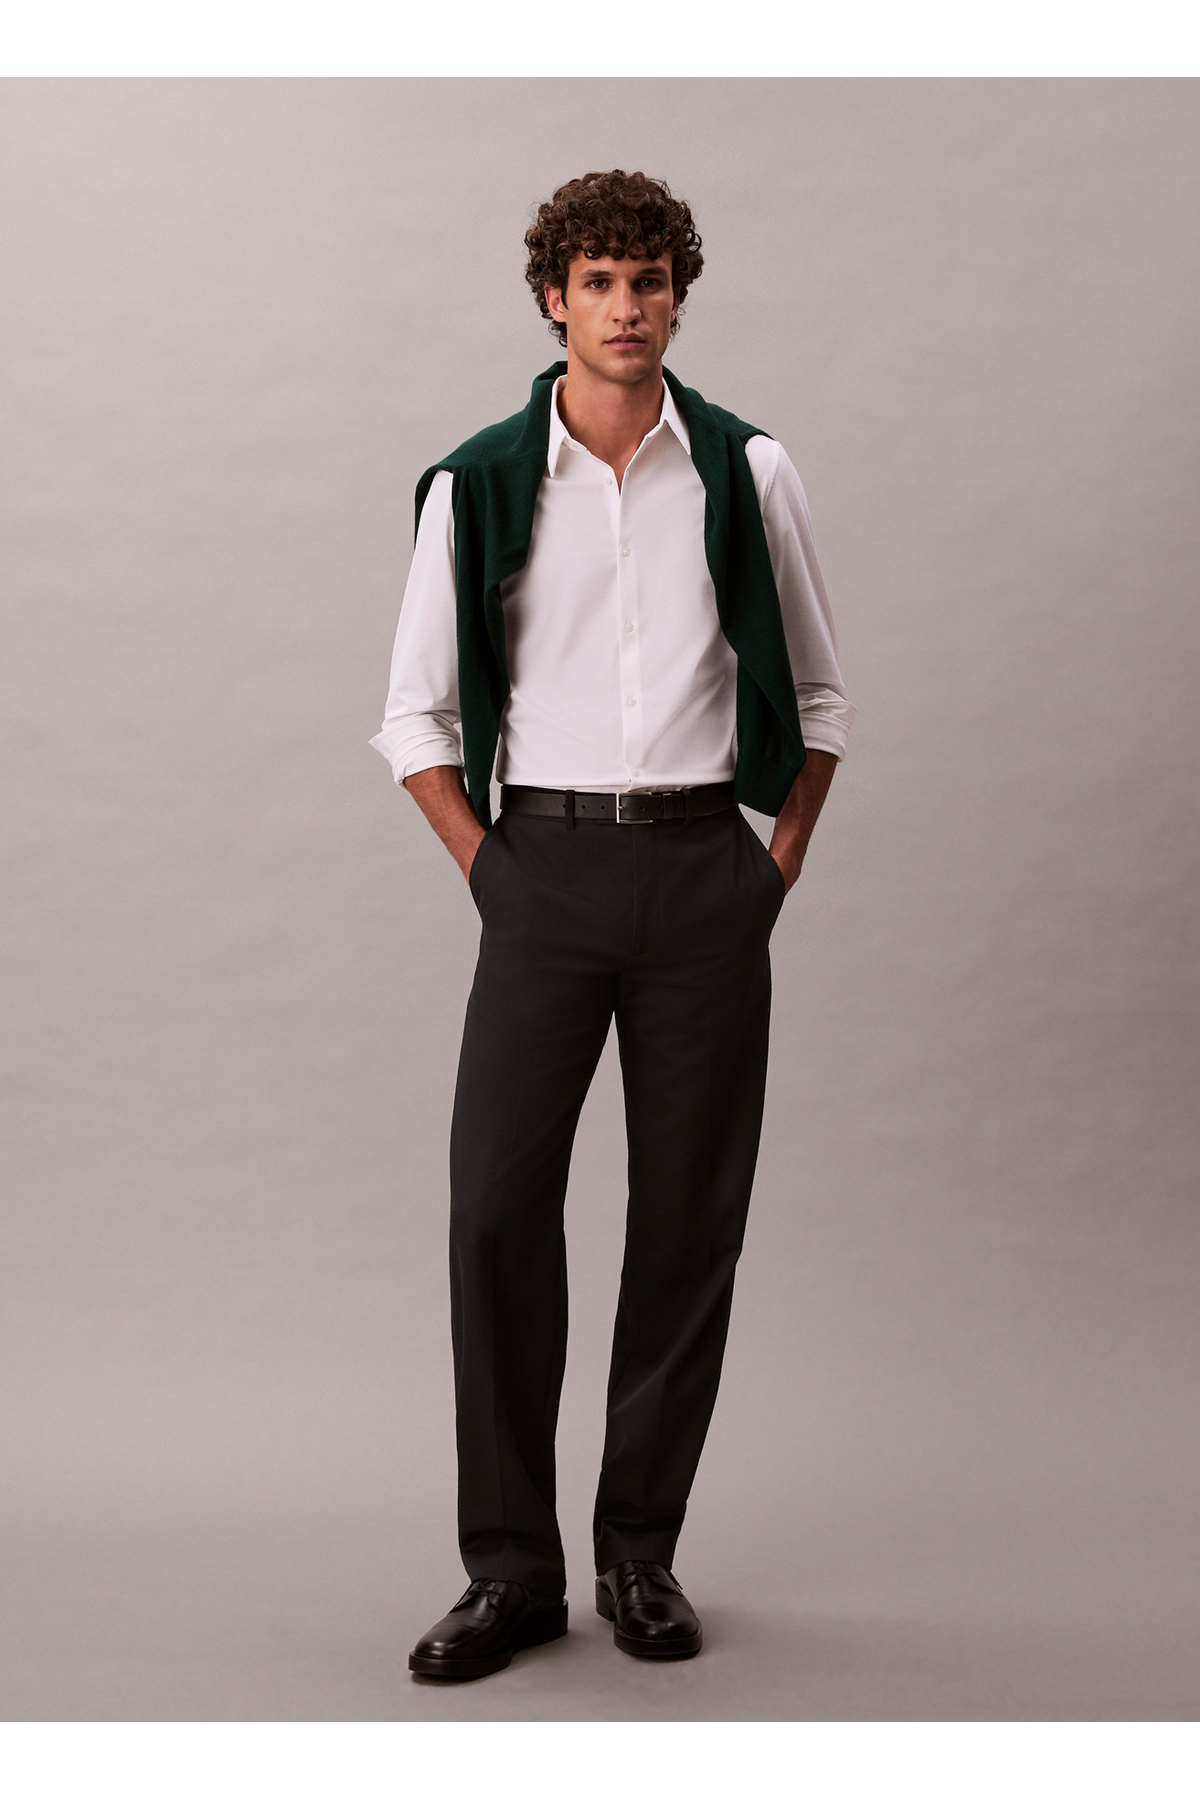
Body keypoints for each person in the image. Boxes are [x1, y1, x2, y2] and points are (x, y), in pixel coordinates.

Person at [369, 169, 855, 1682]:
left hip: (706, 871)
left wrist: (770, 868)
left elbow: (820, 696)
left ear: (677, 296)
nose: (626, 307)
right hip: (544, 872)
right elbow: (414, 717)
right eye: (598, 282)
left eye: (648, 281)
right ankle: (510, 1572)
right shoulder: (477, 484)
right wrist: (491, 871)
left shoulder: (749, 469)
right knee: (497, 1215)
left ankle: (640, 1553)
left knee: (688, 1220)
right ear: (553, 300)